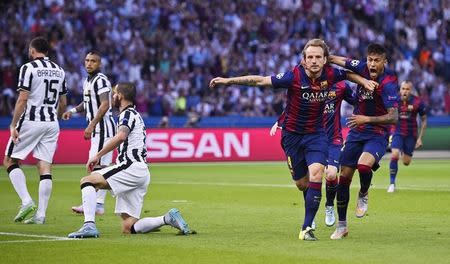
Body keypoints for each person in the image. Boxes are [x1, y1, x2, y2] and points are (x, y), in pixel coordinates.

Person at [210, 39, 376, 241]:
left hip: (317, 134)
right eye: (310, 57)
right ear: (304, 61)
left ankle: (306, 228)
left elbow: (349, 73)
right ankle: (309, 205)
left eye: (318, 57)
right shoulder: (293, 76)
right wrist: (228, 81)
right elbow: (260, 81)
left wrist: (364, 82)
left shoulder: (331, 74)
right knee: (301, 183)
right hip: (292, 136)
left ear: (325, 60)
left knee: (318, 173)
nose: (314, 61)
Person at [68, 83, 190, 238]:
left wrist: (98, 155)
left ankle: (89, 226)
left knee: (87, 181)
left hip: (131, 167)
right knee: (128, 226)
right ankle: (167, 218)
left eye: (114, 93)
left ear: (121, 96)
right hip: (140, 171)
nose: (113, 97)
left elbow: (121, 137)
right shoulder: (135, 115)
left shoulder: (127, 115)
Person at [328, 43, 399, 239]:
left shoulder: (389, 83)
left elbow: (394, 117)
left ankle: (364, 193)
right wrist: (318, 53)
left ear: (385, 61)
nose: (372, 64)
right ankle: (342, 226)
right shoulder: (361, 67)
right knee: (344, 177)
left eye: (377, 61)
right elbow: (336, 59)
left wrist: (366, 119)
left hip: (377, 132)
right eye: (370, 60)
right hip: (356, 132)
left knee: (364, 166)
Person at [270, 81, 356, 228]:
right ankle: (311, 216)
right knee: (306, 180)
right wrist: (280, 121)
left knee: (331, 174)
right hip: (312, 138)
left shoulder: (341, 86)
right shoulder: (308, 85)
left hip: (332, 138)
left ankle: (329, 206)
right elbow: (293, 107)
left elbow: (357, 102)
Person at [3, 37, 67, 224]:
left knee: (9, 160)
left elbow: (23, 99)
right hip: (51, 122)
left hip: (31, 119)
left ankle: (26, 201)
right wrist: (55, 118)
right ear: (47, 51)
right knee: (44, 167)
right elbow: (62, 102)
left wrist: (13, 124)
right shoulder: (59, 70)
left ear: (32, 51)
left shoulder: (28, 68)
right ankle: (41, 215)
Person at [62, 51, 116, 215]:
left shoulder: (101, 80)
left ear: (99, 64)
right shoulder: (88, 81)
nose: (89, 63)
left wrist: (91, 125)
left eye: (93, 61)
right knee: (102, 167)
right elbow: (87, 102)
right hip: (98, 129)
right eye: (86, 60)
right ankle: (102, 201)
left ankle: (99, 202)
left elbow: (105, 104)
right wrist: (73, 110)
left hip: (102, 128)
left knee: (95, 166)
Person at [388, 81, 427, 193]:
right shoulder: (394, 100)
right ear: (400, 89)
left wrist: (420, 138)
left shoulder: (418, 102)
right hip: (397, 132)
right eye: (403, 88)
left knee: (406, 162)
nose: (405, 91)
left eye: (407, 89)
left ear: (411, 90)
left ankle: (402, 151)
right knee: (394, 154)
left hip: (411, 134)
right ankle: (392, 184)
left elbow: (424, 120)